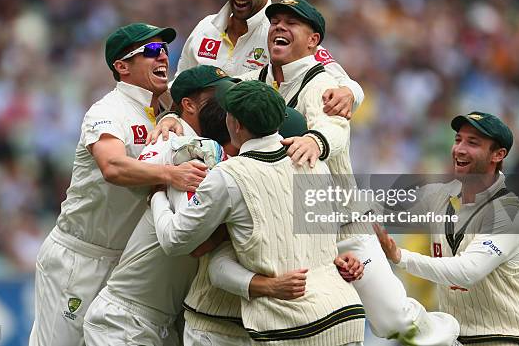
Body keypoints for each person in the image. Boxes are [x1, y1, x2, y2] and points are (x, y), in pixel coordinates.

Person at [236, 0, 459, 344]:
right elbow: (206, 99)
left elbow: (335, 129)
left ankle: (450, 338)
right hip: (285, 228)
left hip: (342, 225)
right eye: (275, 21)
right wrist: (173, 117)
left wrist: (316, 140)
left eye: (291, 23)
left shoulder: (322, 82)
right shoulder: (252, 82)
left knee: (392, 321)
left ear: (313, 42)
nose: (279, 27)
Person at [83, 65, 329, 346]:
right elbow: (189, 243)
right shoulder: (186, 152)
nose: (229, 109)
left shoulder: (222, 161)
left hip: (164, 319)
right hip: (126, 319)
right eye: (222, 100)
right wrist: (162, 184)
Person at [28, 23, 207, 346]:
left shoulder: (166, 111)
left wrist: (171, 116)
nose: (162, 56)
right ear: (121, 66)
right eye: (151, 51)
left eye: (165, 50)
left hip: (125, 261)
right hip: (80, 257)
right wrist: (171, 175)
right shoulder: (107, 110)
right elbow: (112, 167)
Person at [152, 81, 366, 346]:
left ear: (236, 124)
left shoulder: (229, 176)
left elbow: (175, 241)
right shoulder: (314, 162)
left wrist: (158, 193)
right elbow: (318, 245)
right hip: (345, 316)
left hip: (292, 329)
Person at [376, 112, 519, 346]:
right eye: (458, 140)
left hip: (509, 339)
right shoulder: (437, 196)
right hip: (457, 339)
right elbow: (373, 208)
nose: (459, 149)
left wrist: (400, 256)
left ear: (498, 154)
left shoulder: (508, 211)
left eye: (472, 142)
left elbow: (468, 271)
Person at [175, 0, 363, 120]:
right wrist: (171, 116)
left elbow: (341, 82)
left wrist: (349, 92)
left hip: (257, 144)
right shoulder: (205, 28)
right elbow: (179, 86)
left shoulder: (280, 34)